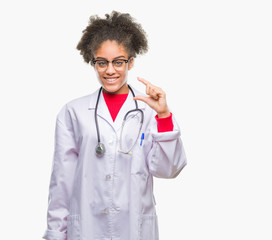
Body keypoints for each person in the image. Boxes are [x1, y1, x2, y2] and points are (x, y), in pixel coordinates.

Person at [43, 11, 187, 240]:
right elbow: (62, 181)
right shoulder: (73, 112)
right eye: (102, 62)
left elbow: (168, 170)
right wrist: (55, 233)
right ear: (92, 62)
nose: (110, 70)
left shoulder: (150, 110)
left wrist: (164, 115)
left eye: (118, 62)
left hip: (135, 228)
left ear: (130, 61)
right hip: (87, 228)